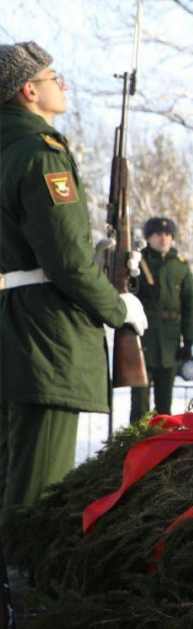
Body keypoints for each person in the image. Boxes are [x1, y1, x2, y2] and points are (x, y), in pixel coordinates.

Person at [0, 42, 148, 532]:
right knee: (36, 499)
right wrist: (118, 308)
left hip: (10, 325)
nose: (61, 84)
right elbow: (64, 262)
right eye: (52, 77)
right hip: (43, 337)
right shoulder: (41, 154)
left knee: (10, 480)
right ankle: (25, 584)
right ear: (28, 90)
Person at [129, 217, 193, 421]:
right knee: (140, 403)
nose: (163, 239)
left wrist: (189, 340)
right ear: (149, 237)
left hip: (170, 343)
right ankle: (137, 438)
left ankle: (162, 440)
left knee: (165, 405)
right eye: (158, 234)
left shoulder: (180, 266)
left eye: (167, 235)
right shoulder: (136, 262)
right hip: (143, 339)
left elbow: (188, 306)